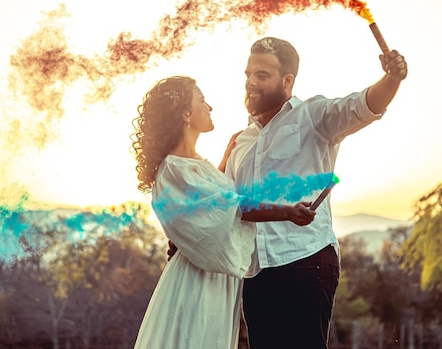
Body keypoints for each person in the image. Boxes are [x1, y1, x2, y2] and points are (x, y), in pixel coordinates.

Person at [222, 37, 408, 349]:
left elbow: (364, 105)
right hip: (255, 272)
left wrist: (392, 78)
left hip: (306, 262)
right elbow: (226, 204)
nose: (251, 83)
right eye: (248, 74)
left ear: (287, 80)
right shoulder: (241, 141)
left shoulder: (312, 116)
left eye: (262, 75)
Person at [130, 75, 317, 349]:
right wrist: (288, 212)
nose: (210, 107)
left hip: (216, 280)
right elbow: (231, 207)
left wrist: (224, 161)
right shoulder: (173, 168)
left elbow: (209, 201)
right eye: (202, 100)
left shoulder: (192, 165)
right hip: (196, 281)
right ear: (185, 113)